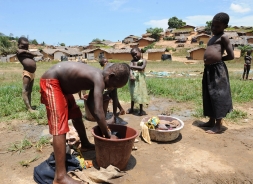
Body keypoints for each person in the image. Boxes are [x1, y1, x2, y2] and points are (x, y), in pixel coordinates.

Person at [40, 61, 130, 184]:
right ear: (111, 76)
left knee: (76, 115)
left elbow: (90, 104)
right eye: (114, 85)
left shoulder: (100, 76)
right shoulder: (98, 78)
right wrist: (108, 134)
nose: (112, 88)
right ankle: (60, 177)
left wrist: (103, 124)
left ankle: (85, 144)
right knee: (60, 127)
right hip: (52, 82)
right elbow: (98, 111)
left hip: (62, 87)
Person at [200, 12, 234, 134]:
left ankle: (218, 125)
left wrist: (218, 60)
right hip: (209, 69)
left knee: (218, 95)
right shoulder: (212, 38)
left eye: (217, 26)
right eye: (212, 26)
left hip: (217, 70)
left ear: (225, 26)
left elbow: (231, 56)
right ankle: (211, 120)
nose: (214, 28)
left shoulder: (223, 37)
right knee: (209, 93)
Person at [17, 37, 38, 112]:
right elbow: (33, 54)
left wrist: (27, 52)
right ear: (18, 45)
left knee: (30, 90)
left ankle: (30, 106)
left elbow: (35, 54)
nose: (25, 48)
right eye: (23, 46)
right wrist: (28, 52)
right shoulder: (19, 51)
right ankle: (29, 108)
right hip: (27, 73)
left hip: (32, 73)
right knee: (25, 90)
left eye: (27, 46)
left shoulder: (25, 52)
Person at [126, 47, 149, 116]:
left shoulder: (143, 60)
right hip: (133, 80)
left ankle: (141, 110)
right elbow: (130, 70)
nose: (135, 56)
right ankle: (132, 108)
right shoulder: (132, 61)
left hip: (140, 80)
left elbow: (142, 68)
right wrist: (130, 75)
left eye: (135, 54)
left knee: (140, 94)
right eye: (133, 55)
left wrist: (132, 67)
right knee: (133, 94)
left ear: (140, 52)